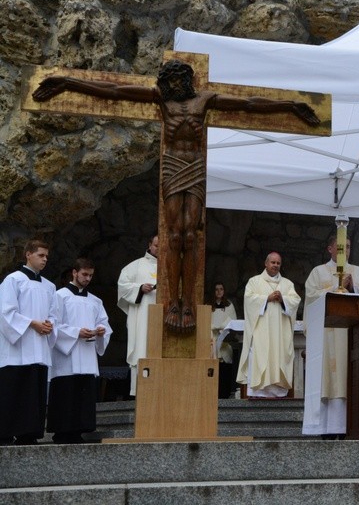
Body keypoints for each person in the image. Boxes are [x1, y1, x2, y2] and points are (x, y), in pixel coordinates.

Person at [33, 59, 320, 333]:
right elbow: (116, 91)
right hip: (172, 167)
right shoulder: (161, 98)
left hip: (194, 168)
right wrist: (68, 82)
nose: (173, 84)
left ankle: (188, 304)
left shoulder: (204, 100)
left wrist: (291, 105)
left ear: (188, 79)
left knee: (191, 236)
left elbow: (248, 104)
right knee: (173, 236)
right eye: (168, 80)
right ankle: (173, 302)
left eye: (177, 79)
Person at [302, 236, 359, 438]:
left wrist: (354, 289)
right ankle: (326, 429)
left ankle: (350, 426)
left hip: (350, 336)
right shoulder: (318, 272)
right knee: (328, 379)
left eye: (349, 247)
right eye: (342, 247)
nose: (346, 251)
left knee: (349, 378)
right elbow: (311, 296)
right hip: (327, 337)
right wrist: (336, 288)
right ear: (330, 249)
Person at [47, 258, 112, 444]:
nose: (87, 278)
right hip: (67, 355)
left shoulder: (95, 301)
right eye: (84, 274)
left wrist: (100, 331)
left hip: (87, 353)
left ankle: (79, 430)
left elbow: (104, 323)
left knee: (84, 393)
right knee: (66, 392)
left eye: (91, 275)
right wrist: (76, 332)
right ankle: (61, 432)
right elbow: (53, 324)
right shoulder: (60, 296)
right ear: (74, 273)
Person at [0, 240, 57, 445]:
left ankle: (29, 434)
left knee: (34, 394)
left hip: (39, 348)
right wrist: (32, 324)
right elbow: (5, 313)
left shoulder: (49, 286)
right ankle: (5, 434)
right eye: (41, 255)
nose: (45, 260)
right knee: (13, 391)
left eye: (47, 257)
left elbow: (54, 314)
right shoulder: (12, 280)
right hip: (17, 349)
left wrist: (50, 325)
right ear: (28, 255)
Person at [237, 252, 301, 398]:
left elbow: (295, 300)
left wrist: (283, 299)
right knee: (260, 355)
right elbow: (249, 299)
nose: (275, 265)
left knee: (278, 356)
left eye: (278, 263)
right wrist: (267, 298)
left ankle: (277, 393)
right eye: (273, 262)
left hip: (280, 333)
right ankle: (258, 393)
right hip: (261, 332)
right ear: (266, 264)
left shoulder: (287, 284)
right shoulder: (254, 282)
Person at [117, 235, 158, 397]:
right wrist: (139, 288)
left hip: (164, 318)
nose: (158, 249)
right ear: (149, 245)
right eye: (156, 245)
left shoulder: (170, 267)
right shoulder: (135, 266)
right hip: (142, 317)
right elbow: (123, 286)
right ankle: (140, 390)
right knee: (142, 347)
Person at [209, 282, 237, 398]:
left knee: (224, 370)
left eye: (221, 289)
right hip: (211, 340)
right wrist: (214, 327)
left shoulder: (229, 305)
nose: (219, 292)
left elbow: (232, 320)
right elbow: (206, 320)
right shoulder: (208, 305)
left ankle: (224, 394)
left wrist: (222, 327)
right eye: (216, 289)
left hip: (224, 340)